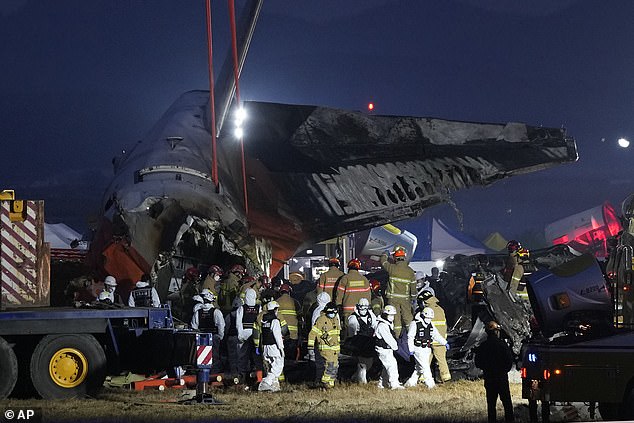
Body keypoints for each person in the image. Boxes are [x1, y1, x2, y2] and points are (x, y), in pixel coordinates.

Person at [474, 321, 515, 423]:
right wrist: (503, 370)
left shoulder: (483, 346)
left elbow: (478, 363)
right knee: (507, 403)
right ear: (497, 332)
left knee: (491, 404)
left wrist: (487, 369)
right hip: (501, 377)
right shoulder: (502, 345)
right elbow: (509, 361)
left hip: (489, 377)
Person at [404, 307, 448, 388]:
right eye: (427, 318)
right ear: (423, 316)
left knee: (419, 368)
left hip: (427, 349)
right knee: (425, 367)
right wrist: (411, 349)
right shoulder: (415, 324)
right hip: (418, 348)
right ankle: (431, 385)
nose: (429, 319)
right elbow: (410, 337)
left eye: (430, 318)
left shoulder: (430, 324)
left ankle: (410, 383)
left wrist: (444, 342)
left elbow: (436, 335)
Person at [380, 247, 416, 336]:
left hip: (393, 299)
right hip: (405, 300)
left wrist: (385, 254)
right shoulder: (410, 271)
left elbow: (383, 262)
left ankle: (397, 337)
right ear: (404, 258)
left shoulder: (392, 268)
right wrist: (414, 298)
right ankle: (412, 336)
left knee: (396, 319)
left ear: (395, 258)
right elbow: (413, 289)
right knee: (408, 318)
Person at [420, 290, 452, 383]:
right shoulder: (440, 309)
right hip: (441, 339)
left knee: (425, 360)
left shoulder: (427, 311)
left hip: (430, 340)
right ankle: (446, 378)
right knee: (442, 360)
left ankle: (422, 377)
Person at [191, 289, 225, 375]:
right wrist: (220, 337)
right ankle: (214, 374)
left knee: (202, 358)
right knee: (215, 357)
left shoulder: (197, 312)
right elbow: (221, 326)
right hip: (213, 338)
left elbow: (194, 327)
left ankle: (202, 373)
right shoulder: (216, 312)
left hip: (201, 338)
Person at [307, 301, 341, 389]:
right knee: (329, 365)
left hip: (334, 349)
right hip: (325, 348)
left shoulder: (336, 320)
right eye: (329, 312)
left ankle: (330, 384)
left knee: (335, 366)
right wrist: (310, 347)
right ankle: (324, 382)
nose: (331, 314)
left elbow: (337, 335)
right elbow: (312, 334)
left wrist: (338, 348)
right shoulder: (321, 320)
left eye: (333, 313)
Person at [346, 297, 376, 384]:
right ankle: (361, 380)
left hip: (369, 341)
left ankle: (356, 376)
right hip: (359, 342)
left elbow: (375, 325)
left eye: (365, 307)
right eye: (362, 307)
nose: (363, 309)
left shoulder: (371, 315)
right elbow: (352, 333)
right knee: (362, 362)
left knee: (369, 361)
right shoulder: (353, 318)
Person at [258, 300, 285, 392]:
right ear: (274, 310)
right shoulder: (275, 321)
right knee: (278, 366)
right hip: (274, 347)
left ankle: (274, 386)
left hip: (266, 347)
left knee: (271, 366)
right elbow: (277, 336)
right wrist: (281, 348)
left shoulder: (264, 320)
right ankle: (266, 382)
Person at [374, 304, 403, 389]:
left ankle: (382, 383)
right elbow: (388, 339)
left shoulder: (388, 324)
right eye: (390, 315)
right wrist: (396, 347)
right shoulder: (382, 325)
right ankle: (394, 384)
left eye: (393, 315)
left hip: (387, 349)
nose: (392, 317)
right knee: (392, 365)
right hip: (383, 349)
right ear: (385, 315)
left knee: (386, 366)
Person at [336, 258, 371, 325]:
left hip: (348, 310)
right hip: (362, 310)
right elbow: (368, 296)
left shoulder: (345, 278)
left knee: (349, 330)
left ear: (349, 267)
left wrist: (338, 305)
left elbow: (339, 294)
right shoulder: (364, 279)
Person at [236, 288, 260, 380]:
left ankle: (242, 374)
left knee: (242, 355)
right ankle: (255, 373)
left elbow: (238, 323)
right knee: (255, 355)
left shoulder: (242, 308)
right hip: (255, 334)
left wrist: (240, 334)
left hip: (244, 333)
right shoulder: (258, 307)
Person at [277, 283, 301, 359]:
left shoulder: (276, 302)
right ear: (289, 291)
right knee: (291, 355)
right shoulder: (295, 302)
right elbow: (300, 317)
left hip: (281, 332)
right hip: (293, 333)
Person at [223, 296, 242, 377]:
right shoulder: (241, 314)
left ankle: (233, 372)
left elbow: (226, 328)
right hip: (239, 338)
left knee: (232, 356)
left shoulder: (228, 316)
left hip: (230, 338)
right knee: (241, 356)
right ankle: (240, 373)